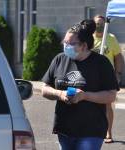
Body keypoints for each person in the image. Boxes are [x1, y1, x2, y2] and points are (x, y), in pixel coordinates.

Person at [41, 21, 119, 150]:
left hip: (91, 130)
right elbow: (44, 89)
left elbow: (111, 95)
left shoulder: (101, 63)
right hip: (64, 129)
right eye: (64, 42)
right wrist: (60, 94)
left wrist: (84, 96)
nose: (66, 46)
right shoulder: (59, 59)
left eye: (70, 43)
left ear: (84, 45)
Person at [93, 15, 123, 143]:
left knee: (107, 104)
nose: (99, 25)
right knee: (90, 104)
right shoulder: (88, 39)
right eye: (97, 23)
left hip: (107, 77)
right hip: (92, 76)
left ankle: (108, 132)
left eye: (102, 23)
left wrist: (118, 74)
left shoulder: (111, 38)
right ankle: (92, 131)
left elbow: (118, 57)